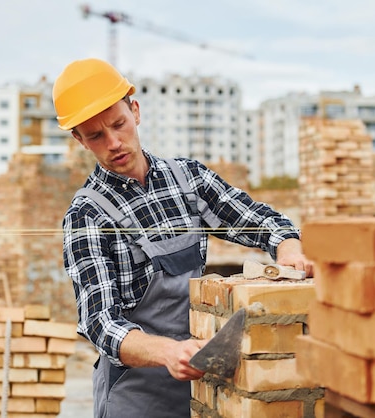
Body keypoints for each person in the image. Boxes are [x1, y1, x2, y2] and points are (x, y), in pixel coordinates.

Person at [53, 58, 314, 418]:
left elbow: (262, 221)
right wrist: (166, 353)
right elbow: (100, 321)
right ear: (79, 140)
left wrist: (289, 249)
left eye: (119, 124)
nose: (114, 142)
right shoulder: (87, 215)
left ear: (136, 111)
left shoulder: (188, 179)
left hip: (200, 390)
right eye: (96, 135)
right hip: (135, 396)